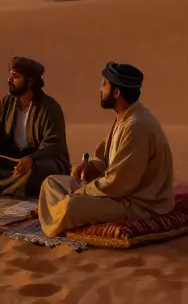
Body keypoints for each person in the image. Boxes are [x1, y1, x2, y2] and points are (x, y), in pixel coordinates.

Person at [37, 61, 176, 237]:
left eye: (104, 84)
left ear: (116, 92)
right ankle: (56, 213)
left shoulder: (136, 125)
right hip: (116, 192)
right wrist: (89, 166)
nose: (100, 88)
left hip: (137, 203)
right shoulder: (124, 117)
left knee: (71, 207)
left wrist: (82, 192)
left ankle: (55, 215)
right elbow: (105, 158)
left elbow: (118, 183)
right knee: (52, 183)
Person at [0, 56, 70, 198]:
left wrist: (31, 159)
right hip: (10, 162)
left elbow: (53, 145)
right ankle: (10, 186)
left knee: (44, 171)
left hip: (35, 163)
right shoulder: (6, 103)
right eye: (10, 75)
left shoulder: (49, 108)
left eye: (15, 77)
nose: (9, 80)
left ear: (30, 81)